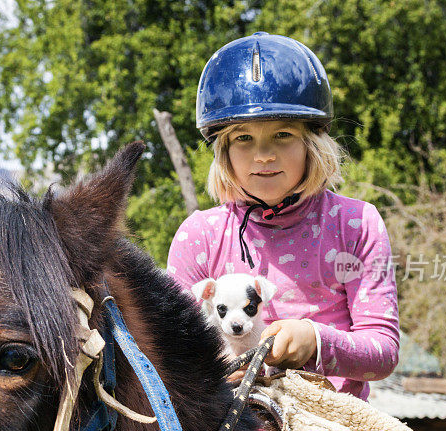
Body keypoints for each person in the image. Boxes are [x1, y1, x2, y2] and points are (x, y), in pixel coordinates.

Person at [167, 32, 399, 400]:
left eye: (283, 135)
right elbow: (170, 345)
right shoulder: (199, 235)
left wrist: (314, 341)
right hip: (223, 412)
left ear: (312, 142)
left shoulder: (356, 224)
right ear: (222, 149)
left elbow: (384, 352)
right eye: (243, 138)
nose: (263, 155)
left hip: (333, 414)